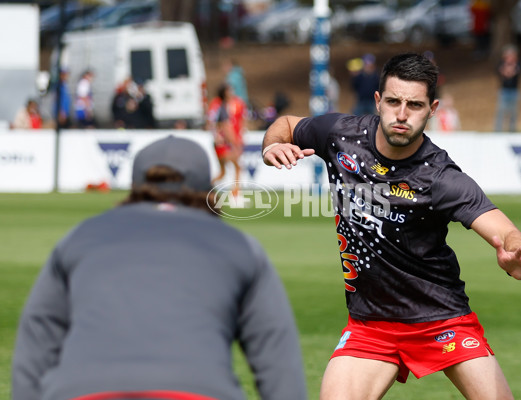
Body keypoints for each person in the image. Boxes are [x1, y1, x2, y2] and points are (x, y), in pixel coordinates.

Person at [261, 52, 521, 400]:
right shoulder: (340, 135)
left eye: (415, 105)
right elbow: (287, 124)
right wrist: (272, 144)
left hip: (442, 318)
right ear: (378, 101)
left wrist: (517, 254)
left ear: (432, 109)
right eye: (393, 101)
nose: (402, 114)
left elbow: (507, 232)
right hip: (370, 326)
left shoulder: (441, 178)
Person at [11, 135, 307, 400]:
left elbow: (36, 341)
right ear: (207, 187)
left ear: (135, 185)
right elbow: (278, 365)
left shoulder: (79, 236)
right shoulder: (241, 246)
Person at [208, 83, 245, 199]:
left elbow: (211, 123)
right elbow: (226, 127)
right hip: (224, 144)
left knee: (222, 173)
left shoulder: (215, 105)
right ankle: (235, 194)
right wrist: (235, 144)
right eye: (230, 91)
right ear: (225, 93)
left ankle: (204, 187)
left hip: (217, 143)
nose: (232, 93)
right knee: (238, 167)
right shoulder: (223, 107)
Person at [494, 44, 521, 132]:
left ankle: (512, 131)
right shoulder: (501, 64)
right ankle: (498, 132)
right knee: (501, 112)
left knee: (514, 113)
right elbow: (504, 73)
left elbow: (515, 72)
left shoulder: (518, 64)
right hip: (504, 91)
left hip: (514, 91)